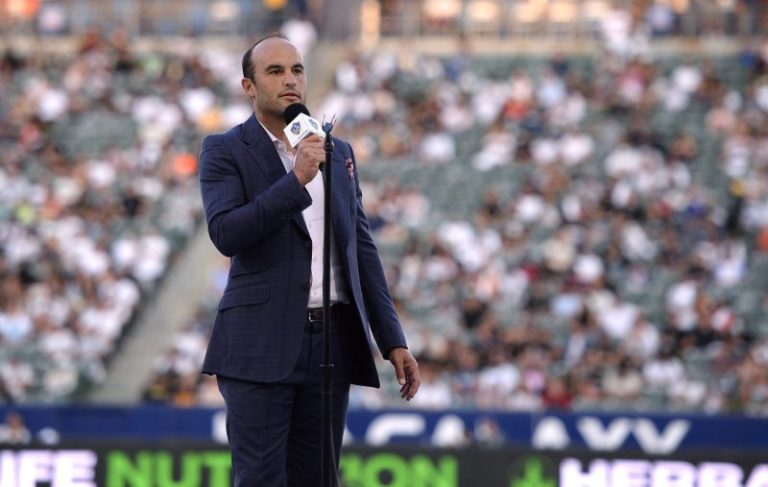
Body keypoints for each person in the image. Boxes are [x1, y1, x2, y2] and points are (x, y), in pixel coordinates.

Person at [197, 34, 421, 486]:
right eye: (275, 71)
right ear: (248, 87)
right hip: (259, 343)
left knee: (319, 478)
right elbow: (226, 234)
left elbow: (360, 248)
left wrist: (391, 338)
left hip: (330, 343)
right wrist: (296, 179)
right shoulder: (224, 149)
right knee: (260, 480)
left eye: (297, 70)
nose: (290, 80)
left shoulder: (336, 151)